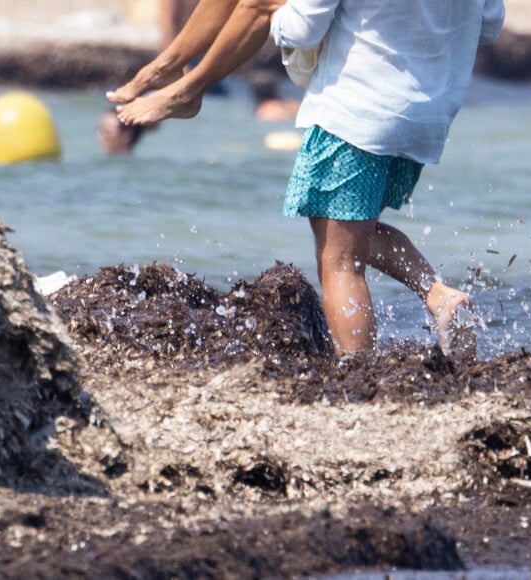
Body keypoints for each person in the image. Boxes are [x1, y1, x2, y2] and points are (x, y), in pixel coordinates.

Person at [108, 0, 505, 357]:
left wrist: (278, 13)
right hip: (428, 115)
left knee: (340, 262)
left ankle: (359, 376)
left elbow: (302, 29)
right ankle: (438, 295)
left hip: (357, 113)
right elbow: (489, 23)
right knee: (353, 235)